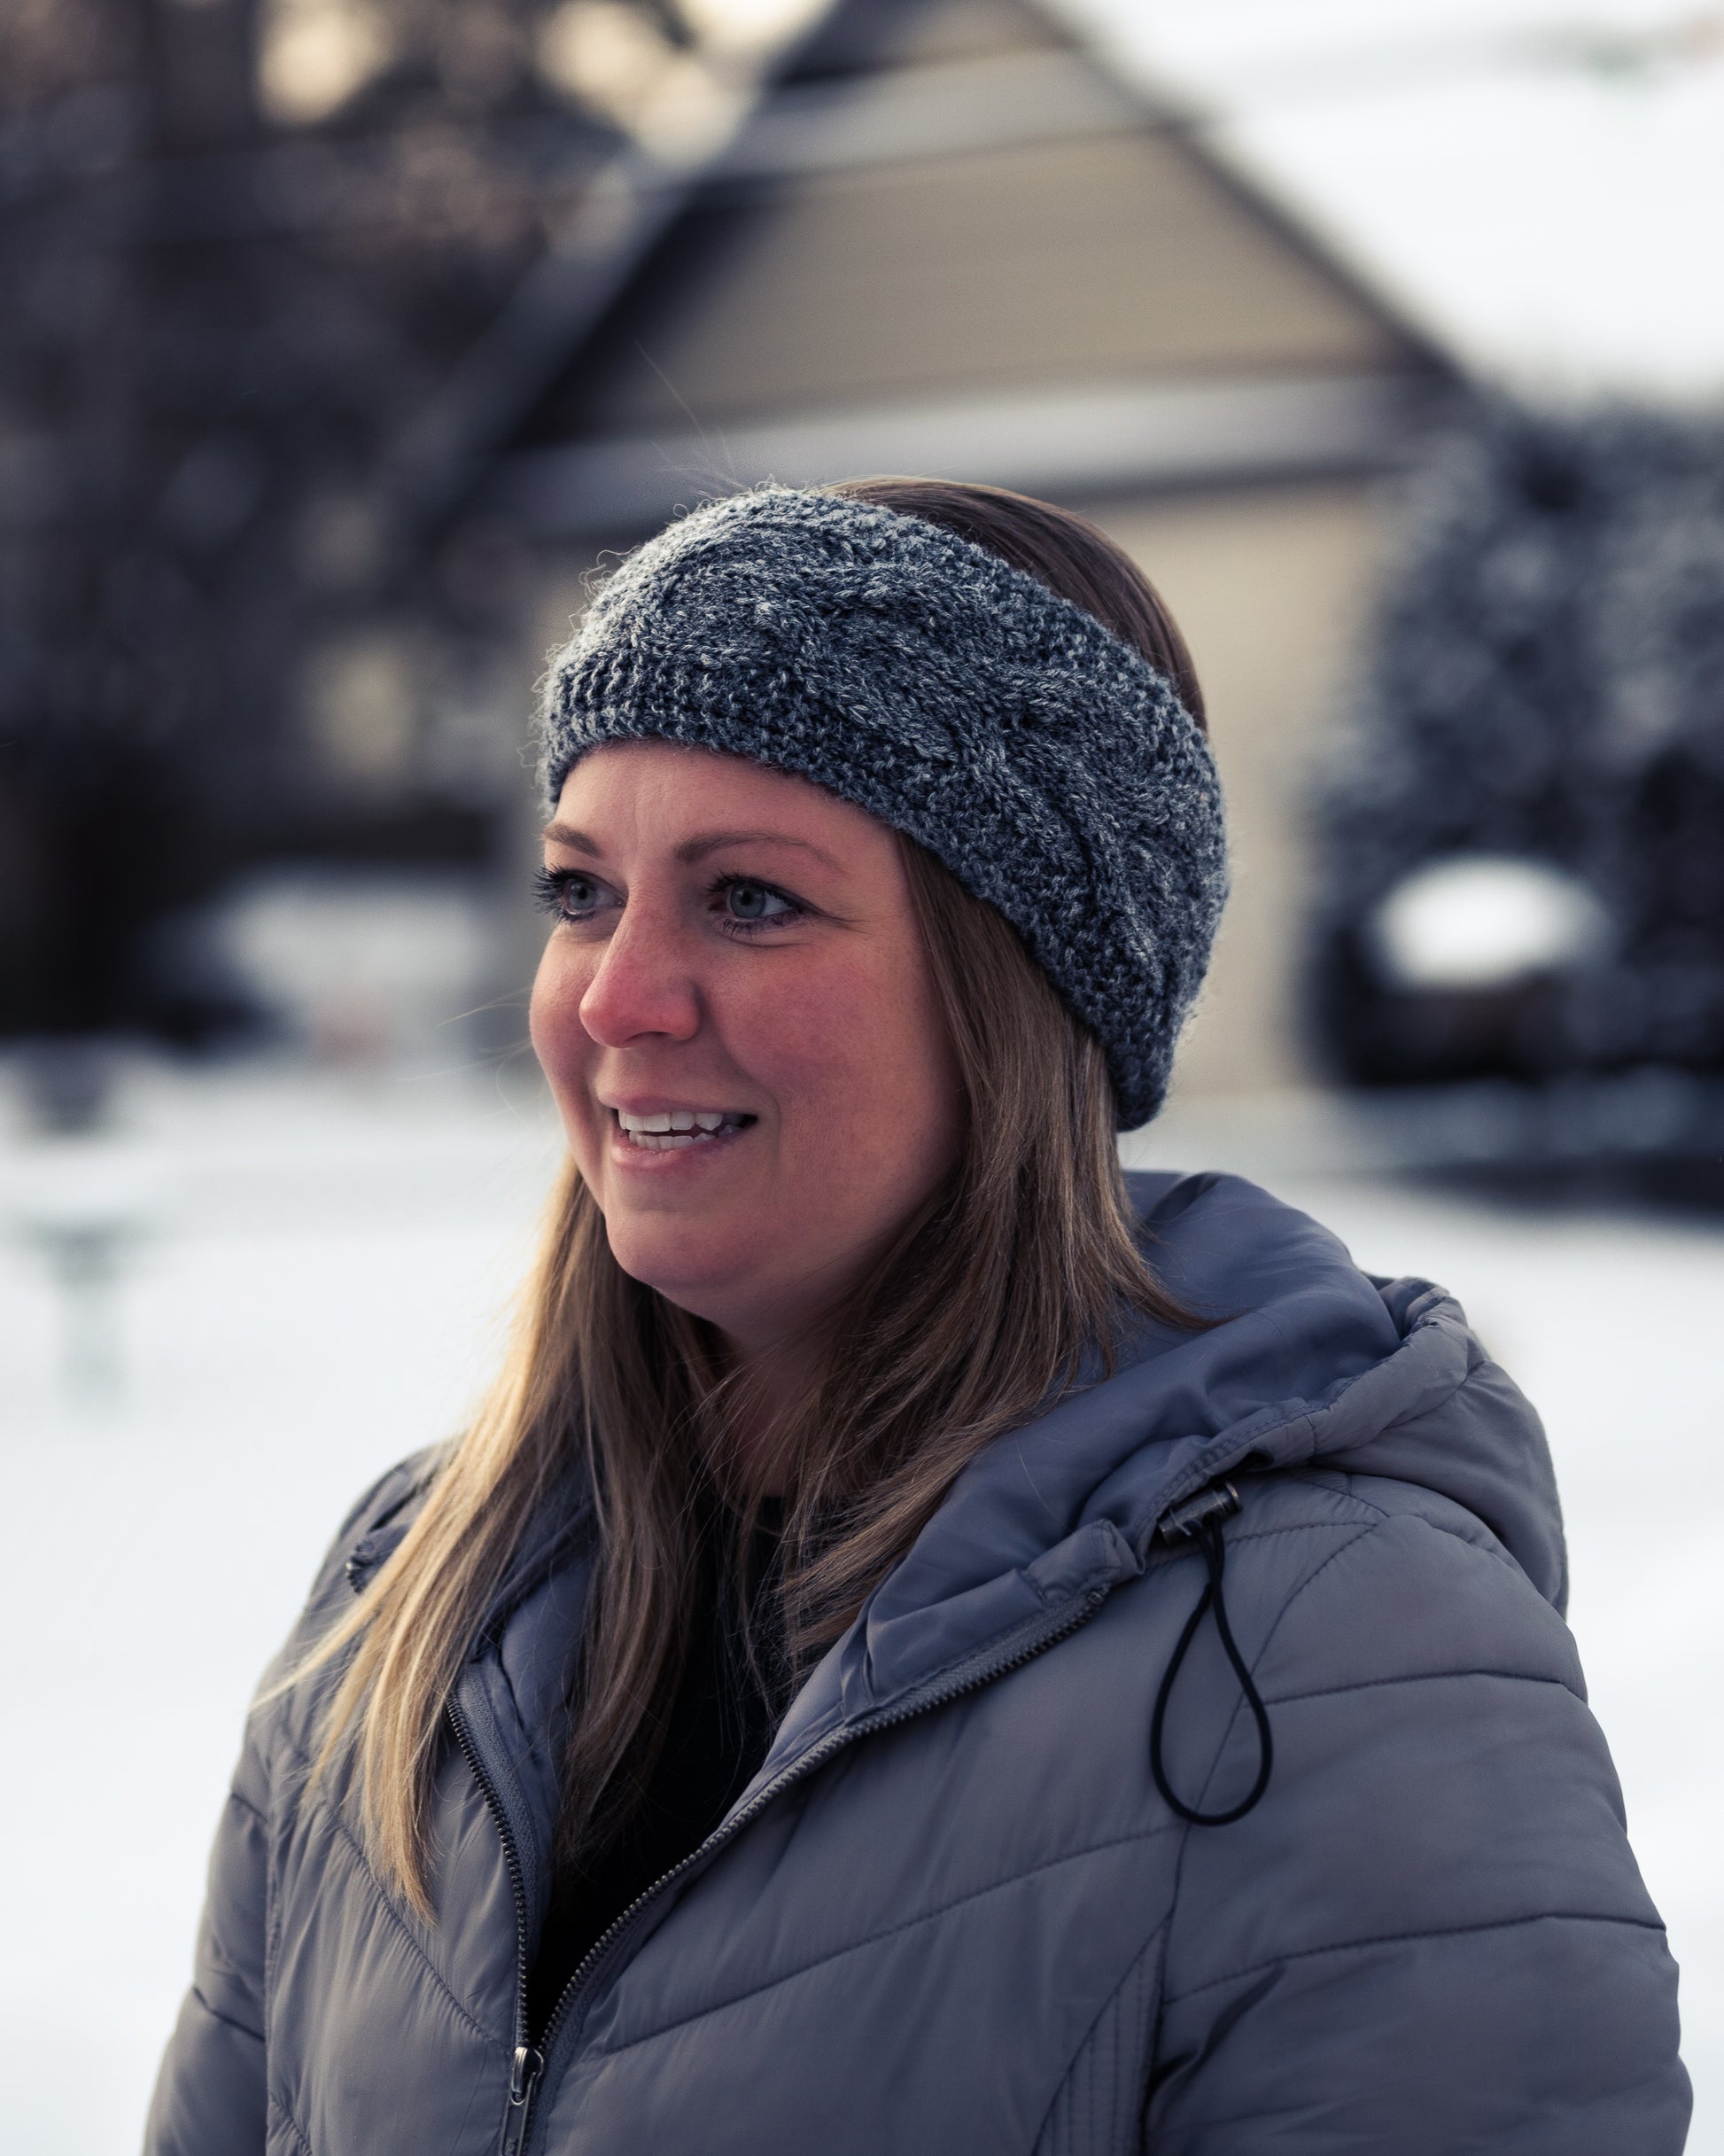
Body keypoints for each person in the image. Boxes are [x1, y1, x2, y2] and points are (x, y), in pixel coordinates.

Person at [145, 480, 1689, 2155]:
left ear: (1014, 990)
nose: (615, 994)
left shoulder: (1335, 1651)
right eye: (580, 890)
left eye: (750, 898)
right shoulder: (410, 1591)